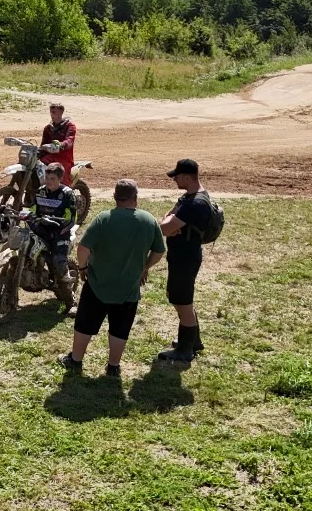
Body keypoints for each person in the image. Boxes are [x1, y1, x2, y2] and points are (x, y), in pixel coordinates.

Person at [59, 180, 166, 378]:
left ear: (115, 197)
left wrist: (83, 267)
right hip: (129, 288)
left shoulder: (104, 218)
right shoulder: (148, 220)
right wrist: (144, 267)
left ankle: (75, 360)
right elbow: (159, 251)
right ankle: (113, 366)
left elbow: (83, 248)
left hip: (97, 284)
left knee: (85, 324)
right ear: (135, 197)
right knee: (120, 327)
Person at [159, 158, 214, 362]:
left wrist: (170, 225)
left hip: (185, 258)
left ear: (188, 177)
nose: (174, 180)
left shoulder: (195, 203)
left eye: (177, 176)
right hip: (183, 256)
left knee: (182, 302)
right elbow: (169, 217)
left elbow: (164, 228)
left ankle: (184, 350)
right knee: (184, 300)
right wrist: (171, 223)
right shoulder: (190, 197)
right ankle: (194, 341)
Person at [31, 162, 79, 312]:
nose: (49, 181)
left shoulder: (67, 194)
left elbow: (72, 218)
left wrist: (58, 226)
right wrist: (30, 219)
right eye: (47, 177)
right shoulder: (40, 191)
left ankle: (71, 304)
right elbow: (33, 209)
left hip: (60, 234)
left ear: (60, 178)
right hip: (41, 231)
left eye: (52, 178)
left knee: (58, 263)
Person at [40, 102, 76, 177]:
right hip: (50, 156)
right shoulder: (48, 128)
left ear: (61, 113)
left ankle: (67, 188)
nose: (51, 115)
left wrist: (61, 145)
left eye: (54, 112)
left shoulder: (69, 126)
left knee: (62, 177)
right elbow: (43, 144)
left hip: (64, 157)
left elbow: (70, 140)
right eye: (51, 112)